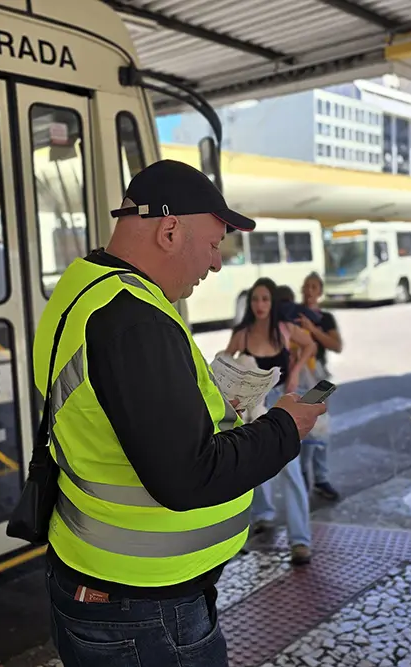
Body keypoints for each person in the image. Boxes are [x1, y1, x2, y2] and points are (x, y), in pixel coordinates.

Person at [35, 159, 327, 667]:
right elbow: (190, 477)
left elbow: (108, 414)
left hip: (96, 576)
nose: (215, 264)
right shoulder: (135, 319)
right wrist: (285, 427)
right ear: (169, 231)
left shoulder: (82, 288)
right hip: (143, 607)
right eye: (213, 245)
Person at [225, 279, 317, 565]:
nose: (260, 305)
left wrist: (296, 371)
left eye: (265, 299)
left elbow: (310, 344)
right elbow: (225, 365)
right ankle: (262, 515)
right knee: (254, 464)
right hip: (253, 405)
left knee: (291, 471)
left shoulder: (284, 329)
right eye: (255, 300)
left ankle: (300, 541)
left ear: (272, 302)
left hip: (282, 402)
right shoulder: (243, 334)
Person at [296, 272, 343, 501]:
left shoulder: (325, 318)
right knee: (303, 430)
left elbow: (335, 345)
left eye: (314, 287)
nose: (309, 291)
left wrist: (312, 329)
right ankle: (304, 478)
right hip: (298, 377)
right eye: (306, 286)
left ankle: (321, 478)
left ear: (320, 291)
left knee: (321, 429)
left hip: (319, 377)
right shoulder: (293, 314)